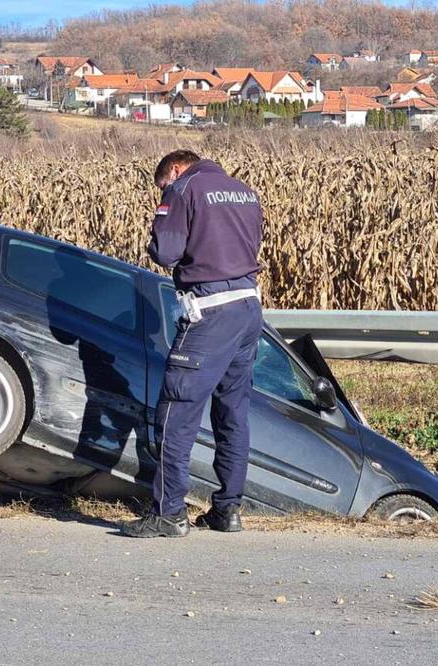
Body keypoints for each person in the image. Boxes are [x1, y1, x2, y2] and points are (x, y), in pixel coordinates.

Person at [122, 150, 264, 538]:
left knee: (176, 410)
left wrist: (159, 227)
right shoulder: (243, 191)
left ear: (175, 169)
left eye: (162, 185)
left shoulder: (183, 188)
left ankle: (169, 513)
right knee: (233, 412)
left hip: (210, 312)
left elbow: (166, 253)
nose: (163, 191)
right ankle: (227, 511)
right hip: (249, 308)